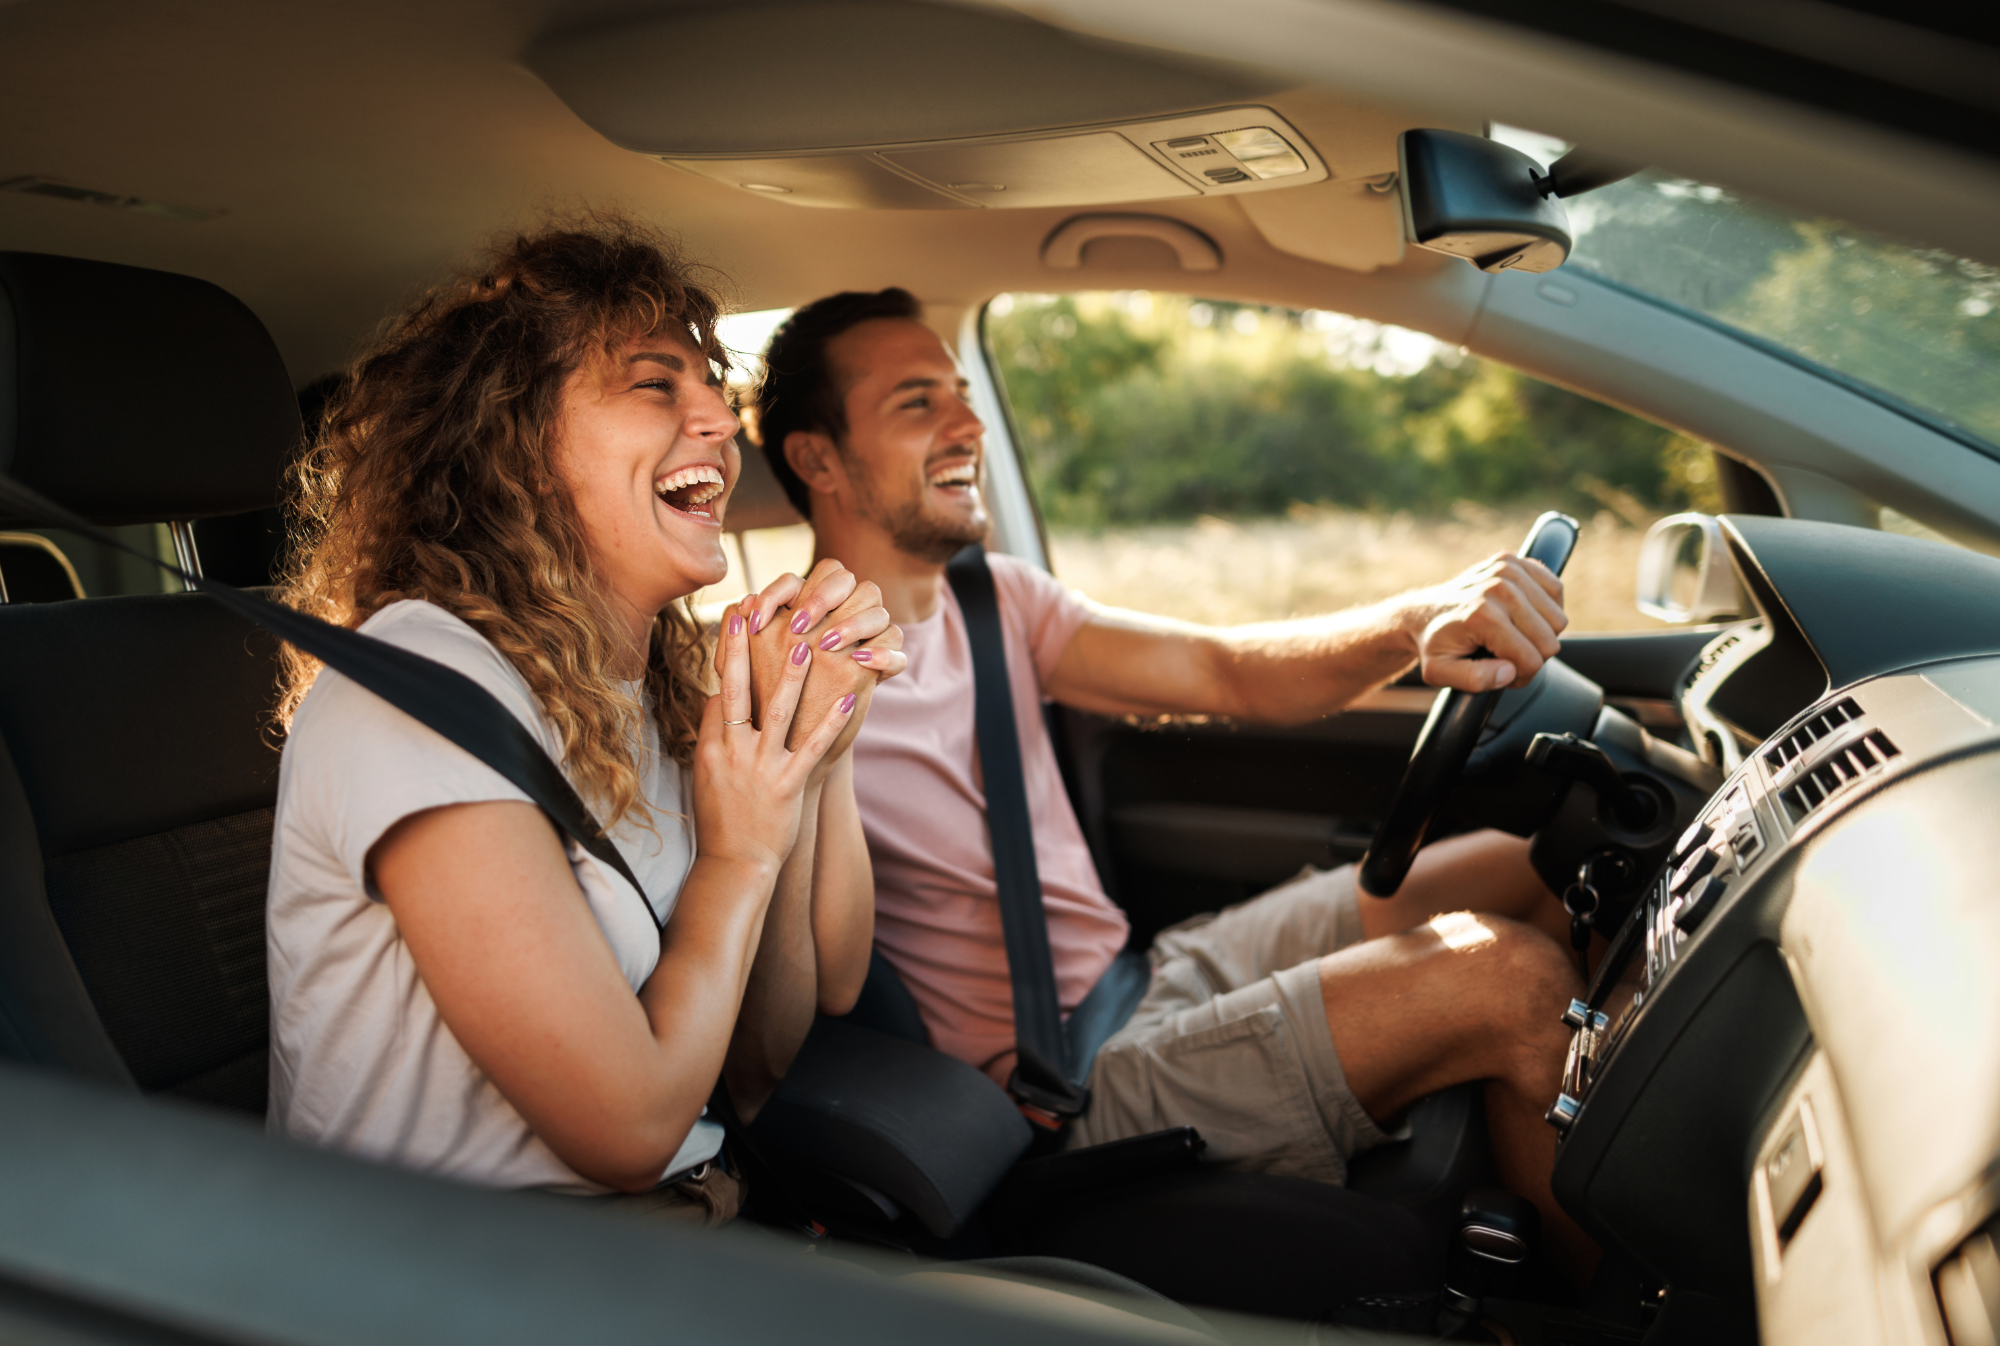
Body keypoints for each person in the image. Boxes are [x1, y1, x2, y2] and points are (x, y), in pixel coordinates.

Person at [745, 286, 1595, 1271]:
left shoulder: (995, 598)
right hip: (1062, 1082)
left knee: (1532, 860)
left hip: (1146, 971)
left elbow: (1221, 669)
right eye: (915, 402)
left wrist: (1418, 620)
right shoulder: (783, 673)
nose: (967, 423)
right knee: (1508, 977)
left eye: (961, 391)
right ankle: (1598, 1316)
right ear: (815, 458)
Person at [264, 225, 905, 1226]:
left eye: (710, 383)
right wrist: (735, 855)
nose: (721, 420)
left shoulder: (644, 688)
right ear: (510, 442)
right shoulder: (419, 690)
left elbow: (763, 1055)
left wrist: (810, 738)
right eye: (656, 384)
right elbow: (630, 1128)